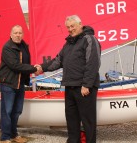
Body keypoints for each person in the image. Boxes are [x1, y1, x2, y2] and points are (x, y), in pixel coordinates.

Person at [38, 15, 101, 143]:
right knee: (71, 119)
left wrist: (87, 85)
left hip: (84, 88)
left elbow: (93, 63)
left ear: (80, 24)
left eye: (73, 26)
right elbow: (57, 61)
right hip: (70, 86)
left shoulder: (89, 39)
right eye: (68, 27)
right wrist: (41, 67)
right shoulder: (68, 44)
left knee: (88, 120)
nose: (70, 29)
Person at [0, 25, 41, 143]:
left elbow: (26, 63)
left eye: (20, 33)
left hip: (20, 83)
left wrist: (33, 69)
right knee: (7, 111)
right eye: (15, 33)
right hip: (9, 83)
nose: (18, 35)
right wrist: (34, 69)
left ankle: (14, 134)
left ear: (22, 34)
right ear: (11, 34)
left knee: (17, 110)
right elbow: (15, 65)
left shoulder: (24, 46)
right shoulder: (7, 47)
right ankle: (5, 137)